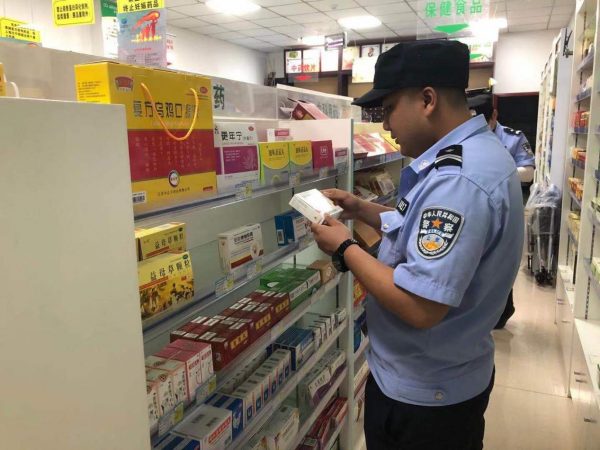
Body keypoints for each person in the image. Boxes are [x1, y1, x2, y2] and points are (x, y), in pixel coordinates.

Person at [310, 40, 524, 450]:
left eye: (389, 108)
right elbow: (421, 229)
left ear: (427, 100)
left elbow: (420, 307)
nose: (386, 125)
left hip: (425, 397)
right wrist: (362, 208)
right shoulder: (474, 155)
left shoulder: (459, 181)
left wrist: (344, 249)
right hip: (447, 373)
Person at [468, 93, 536, 328]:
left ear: (494, 116)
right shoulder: (467, 138)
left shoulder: (512, 137)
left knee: (500, 259)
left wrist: (496, 172)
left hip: (505, 205)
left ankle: (503, 311)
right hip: (474, 206)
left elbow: (528, 172)